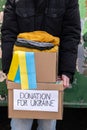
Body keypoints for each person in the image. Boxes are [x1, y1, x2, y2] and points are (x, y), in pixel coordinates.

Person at [1, 0, 81, 130]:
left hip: (52, 69)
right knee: (20, 125)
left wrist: (66, 71)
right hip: (22, 67)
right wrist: (9, 69)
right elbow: (8, 33)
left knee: (47, 125)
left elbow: (71, 34)